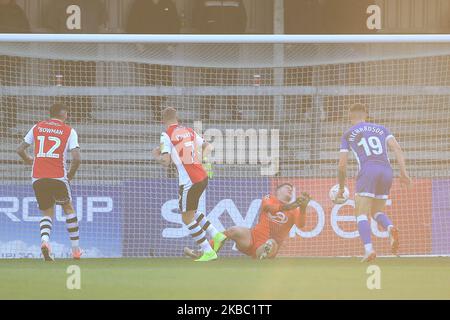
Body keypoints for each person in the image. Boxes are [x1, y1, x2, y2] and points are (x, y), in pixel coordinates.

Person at [336, 103, 412, 262]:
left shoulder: (348, 134)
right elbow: (397, 149)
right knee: (377, 211)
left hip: (368, 170)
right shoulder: (382, 129)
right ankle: (390, 227)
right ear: (366, 114)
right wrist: (403, 173)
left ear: (350, 116)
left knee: (361, 213)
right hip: (386, 171)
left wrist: (341, 188)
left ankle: (369, 249)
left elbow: (342, 165)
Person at [152, 107, 225, 262]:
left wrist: (156, 156)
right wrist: (199, 159)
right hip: (201, 176)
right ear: (177, 117)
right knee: (190, 211)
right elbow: (207, 146)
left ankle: (208, 251)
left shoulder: (166, 135)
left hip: (189, 180)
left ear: (162, 120)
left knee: (186, 218)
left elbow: (166, 162)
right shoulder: (189, 130)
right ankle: (216, 234)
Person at [16, 104, 82, 261]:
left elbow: (19, 149)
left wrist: (28, 159)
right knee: (68, 208)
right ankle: (75, 250)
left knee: (46, 211)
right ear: (64, 113)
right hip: (58, 175)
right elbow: (77, 158)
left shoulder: (37, 127)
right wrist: (70, 175)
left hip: (38, 176)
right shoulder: (68, 130)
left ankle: (45, 241)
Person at [185, 184, 311, 260]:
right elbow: (269, 208)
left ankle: (264, 254)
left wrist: (303, 207)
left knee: (271, 243)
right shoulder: (270, 198)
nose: (290, 190)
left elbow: (301, 225)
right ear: (278, 190)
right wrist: (293, 205)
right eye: (287, 187)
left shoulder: (295, 211)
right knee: (232, 230)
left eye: (292, 189)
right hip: (252, 237)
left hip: (268, 244)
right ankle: (205, 252)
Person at [126, 0, 180, 122]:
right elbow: (131, 24)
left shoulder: (168, 4)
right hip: (147, 49)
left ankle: (164, 106)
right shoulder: (139, 4)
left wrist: (173, 44)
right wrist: (138, 44)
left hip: (165, 49)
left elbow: (176, 24)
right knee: (151, 80)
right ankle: (155, 111)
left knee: (166, 80)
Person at [0, 0, 30, 136]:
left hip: (10, 60)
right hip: (9, 58)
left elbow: (25, 32)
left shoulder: (16, 11)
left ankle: (10, 123)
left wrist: (19, 54)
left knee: (10, 92)